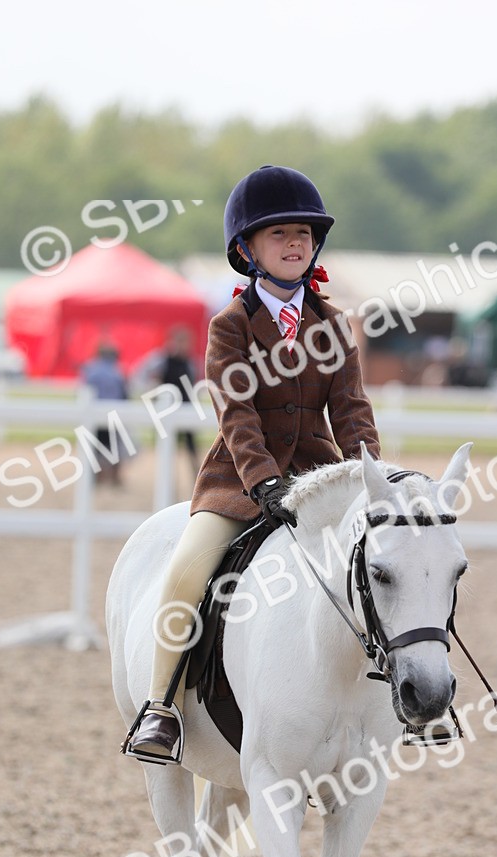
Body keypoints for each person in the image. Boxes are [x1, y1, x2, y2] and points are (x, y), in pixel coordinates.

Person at [126, 165, 381, 761]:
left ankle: (408, 700)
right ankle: (160, 706)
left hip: (318, 477)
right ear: (247, 248)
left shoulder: (334, 326)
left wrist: (374, 473)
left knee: (390, 562)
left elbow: (350, 409)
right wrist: (262, 478)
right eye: (279, 234)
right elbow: (235, 412)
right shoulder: (229, 327)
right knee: (188, 571)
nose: (295, 243)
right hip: (240, 483)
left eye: (303, 233)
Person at [154, 325, 201, 490]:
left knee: (191, 447)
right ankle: (168, 483)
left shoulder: (190, 361)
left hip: (186, 407)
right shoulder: (162, 360)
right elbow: (149, 376)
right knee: (168, 447)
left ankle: (197, 480)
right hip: (168, 409)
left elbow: (195, 380)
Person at [80, 342, 129, 486]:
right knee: (114, 448)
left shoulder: (91, 370)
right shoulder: (118, 372)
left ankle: (97, 478)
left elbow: (84, 391)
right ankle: (114, 478)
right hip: (114, 414)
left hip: (94, 415)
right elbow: (124, 394)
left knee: (95, 448)